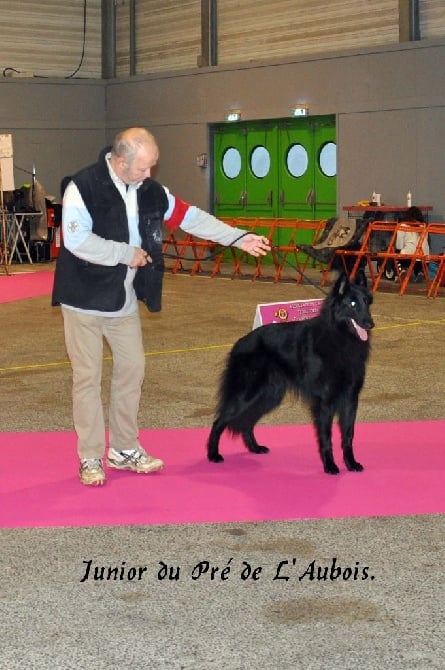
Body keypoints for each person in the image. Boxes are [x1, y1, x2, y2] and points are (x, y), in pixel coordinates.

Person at [52, 127, 270, 486]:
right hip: (84, 300)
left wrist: (237, 237)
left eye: (152, 167)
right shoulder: (83, 186)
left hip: (122, 300)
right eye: (143, 168)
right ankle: (90, 457)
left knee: (132, 370)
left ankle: (123, 449)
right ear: (120, 162)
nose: (149, 175)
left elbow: (190, 217)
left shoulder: (149, 190)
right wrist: (125, 254)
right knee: (87, 379)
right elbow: (77, 240)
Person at [395, 205, 429, 280]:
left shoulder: (402, 226)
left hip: (409, 258)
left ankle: (404, 269)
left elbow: (399, 245)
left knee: (398, 252)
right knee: (419, 255)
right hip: (424, 259)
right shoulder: (424, 226)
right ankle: (420, 271)